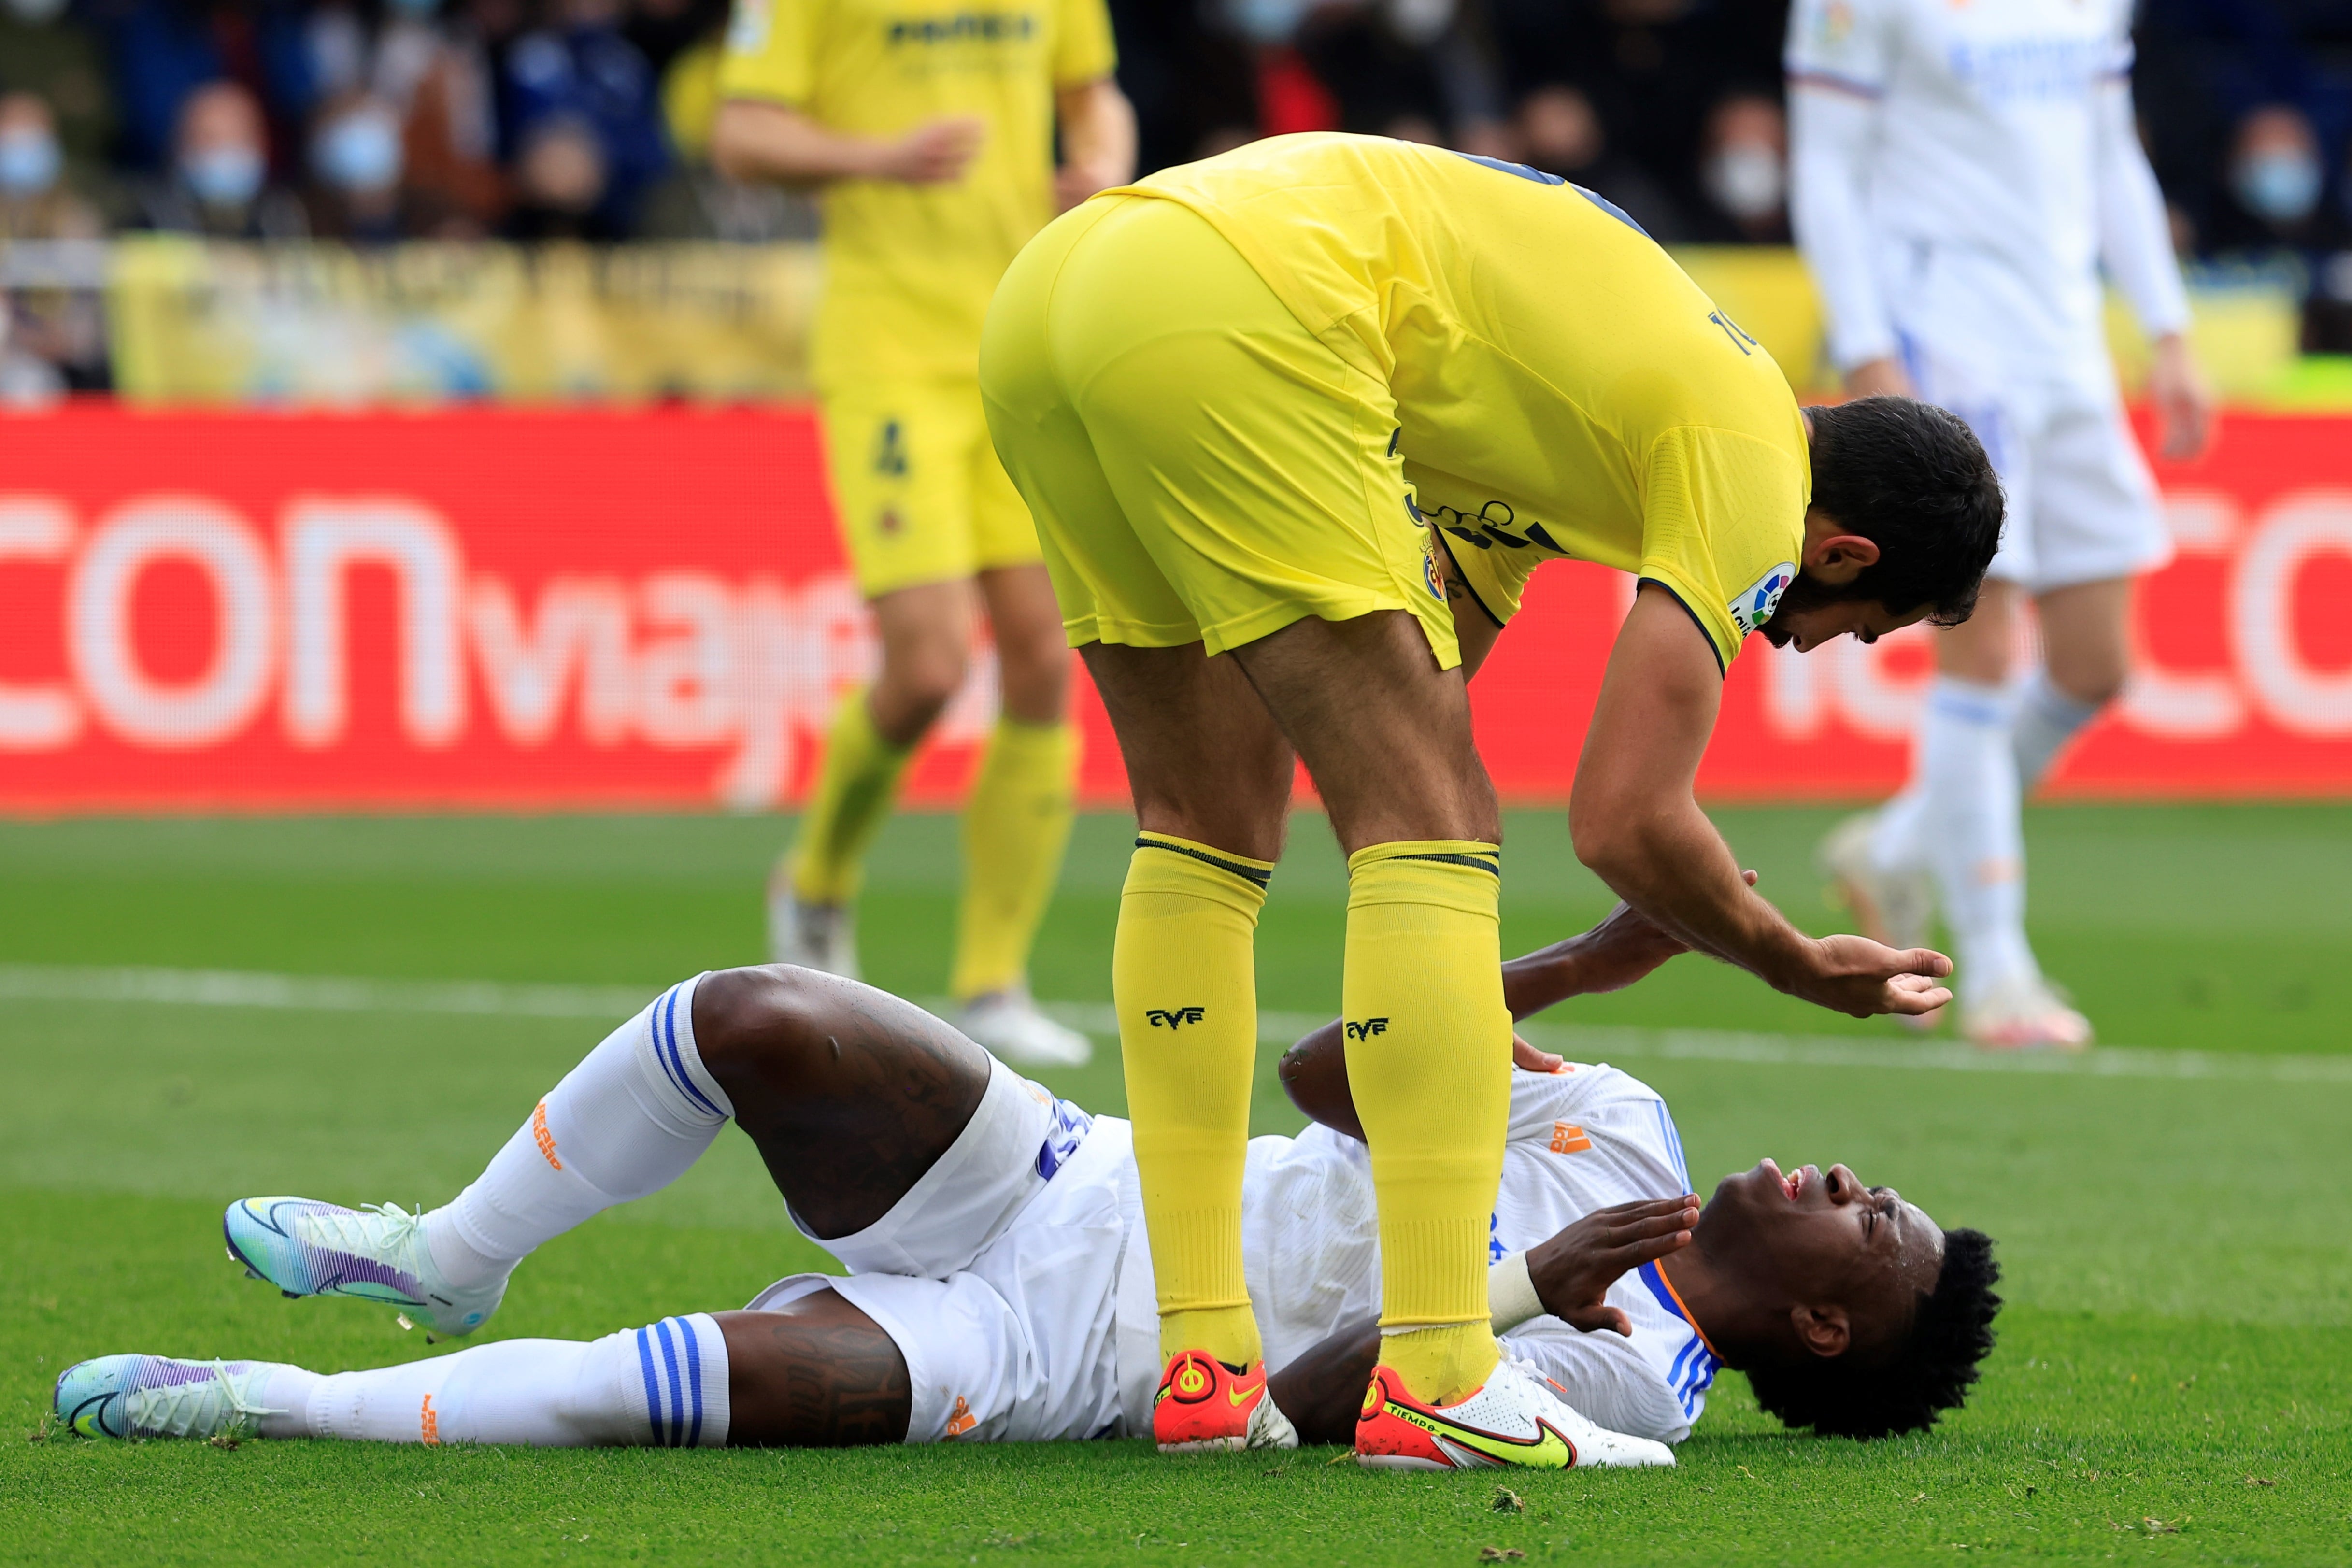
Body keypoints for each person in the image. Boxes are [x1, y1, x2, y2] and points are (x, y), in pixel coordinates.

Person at [976, 130, 2000, 1464]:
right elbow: (1620, 820)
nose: (1797, 643)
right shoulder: (1750, 468)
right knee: (1435, 824)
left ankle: (1208, 1361)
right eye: (1852, 623)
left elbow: (1427, 657)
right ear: (1839, 551)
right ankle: (1442, 1370)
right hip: (1246, 307)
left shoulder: (1590, 428)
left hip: (1066, 291)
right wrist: (1791, 961)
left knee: (1207, 820)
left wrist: (1478, 972)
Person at [54, 904, 2001, 1464]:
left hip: (1054, 1344)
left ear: (1820, 1320)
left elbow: (1323, 1408)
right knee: (755, 1014)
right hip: (1071, 1174)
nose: (1835, 1168)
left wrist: (1499, 1295)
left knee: (667, 1382)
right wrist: (1554, 982)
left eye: (1869, 1209)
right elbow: (1333, 1073)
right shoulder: (1626, 1124)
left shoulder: (1620, 1395)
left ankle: (259, 1404)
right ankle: (445, 1255)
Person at [708, 0, 1137, 1069]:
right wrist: (876, 155)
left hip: (1020, 338)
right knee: (931, 663)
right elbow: (741, 133)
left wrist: (1098, 165)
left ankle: (993, 982)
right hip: (889, 353)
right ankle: (812, 884)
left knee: (1049, 652)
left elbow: (1095, 97)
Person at [1787, 0, 2216, 1050]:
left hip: (2063, 339)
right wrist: (1865, 346)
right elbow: (1825, 167)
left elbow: (2109, 150)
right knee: (1978, 647)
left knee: (2095, 663)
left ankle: (1895, 849)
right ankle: (1996, 971)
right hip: (1944, 334)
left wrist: (2165, 325)